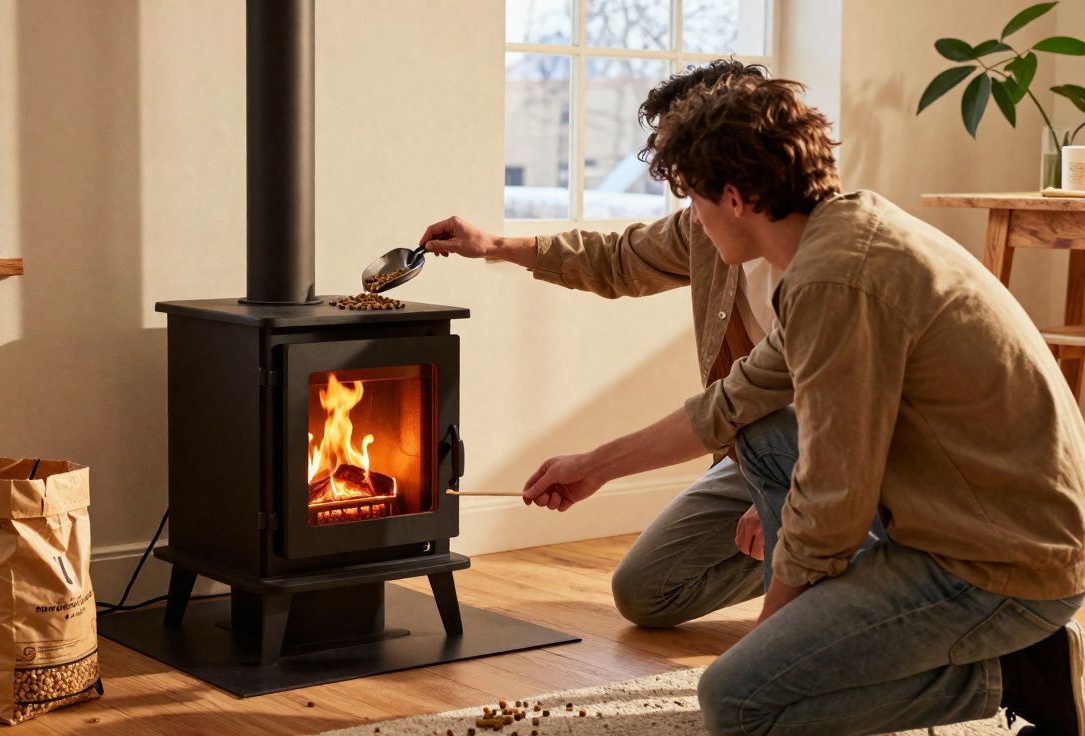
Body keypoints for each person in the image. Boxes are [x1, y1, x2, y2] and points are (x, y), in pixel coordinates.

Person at [452, 72, 1085, 734]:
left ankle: (1012, 673)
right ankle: (907, 630)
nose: (691, 219)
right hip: (974, 525)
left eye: (694, 200)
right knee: (760, 432)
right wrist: (597, 465)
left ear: (735, 197)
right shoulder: (838, 238)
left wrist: (771, 631)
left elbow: (834, 501)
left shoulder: (836, 279)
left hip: (999, 566)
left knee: (736, 700)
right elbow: (736, 402)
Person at [420, 59, 783, 630]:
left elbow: (858, 412)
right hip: (758, 451)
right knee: (645, 592)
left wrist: (802, 505)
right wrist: (492, 244)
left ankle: (843, 559)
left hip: (848, 463)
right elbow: (618, 259)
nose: (686, 210)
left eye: (690, 184)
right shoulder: (709, 232)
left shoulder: (824, 261)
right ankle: (799, 556)